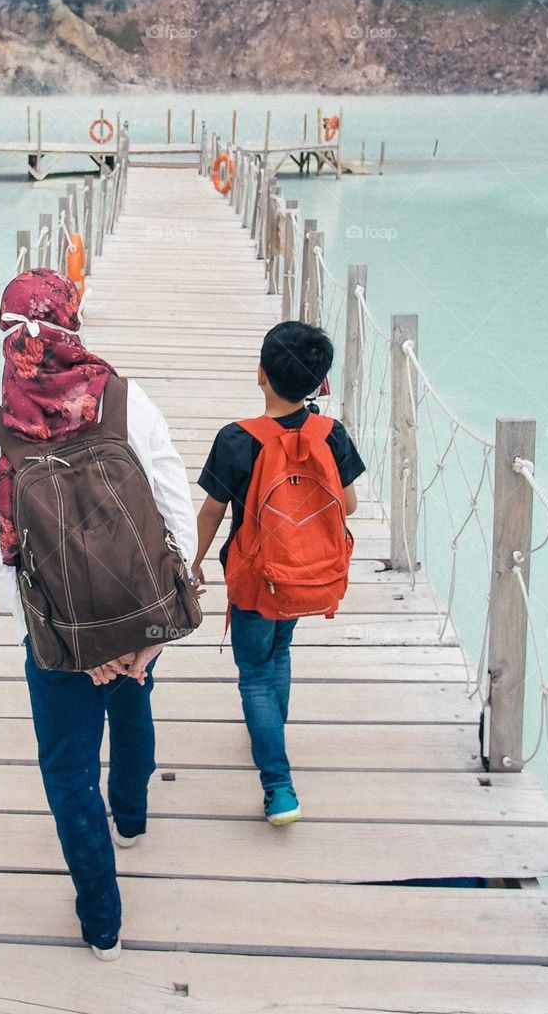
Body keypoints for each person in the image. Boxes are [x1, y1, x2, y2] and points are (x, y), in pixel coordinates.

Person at [0, 268, 197, 960]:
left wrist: (63, 641)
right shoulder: (128, 402)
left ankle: (103, 921)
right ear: (74, 326)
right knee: (133, 707)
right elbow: (173, 511)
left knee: (68, 773)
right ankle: (131, 817)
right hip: (137, 611)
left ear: (7, 340)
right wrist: (157, 625)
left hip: (54, 637)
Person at [193, 321, 365, 825]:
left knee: (254, 674)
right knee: (280, 651)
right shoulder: (332, 435)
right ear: (317, 383)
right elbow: (349, 506)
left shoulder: (235, 439)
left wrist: (194, 561)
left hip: (254, 578)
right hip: (306, 574)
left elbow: (211, 512)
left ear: (260, 374)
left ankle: (279, 786)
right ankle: (271, 730)